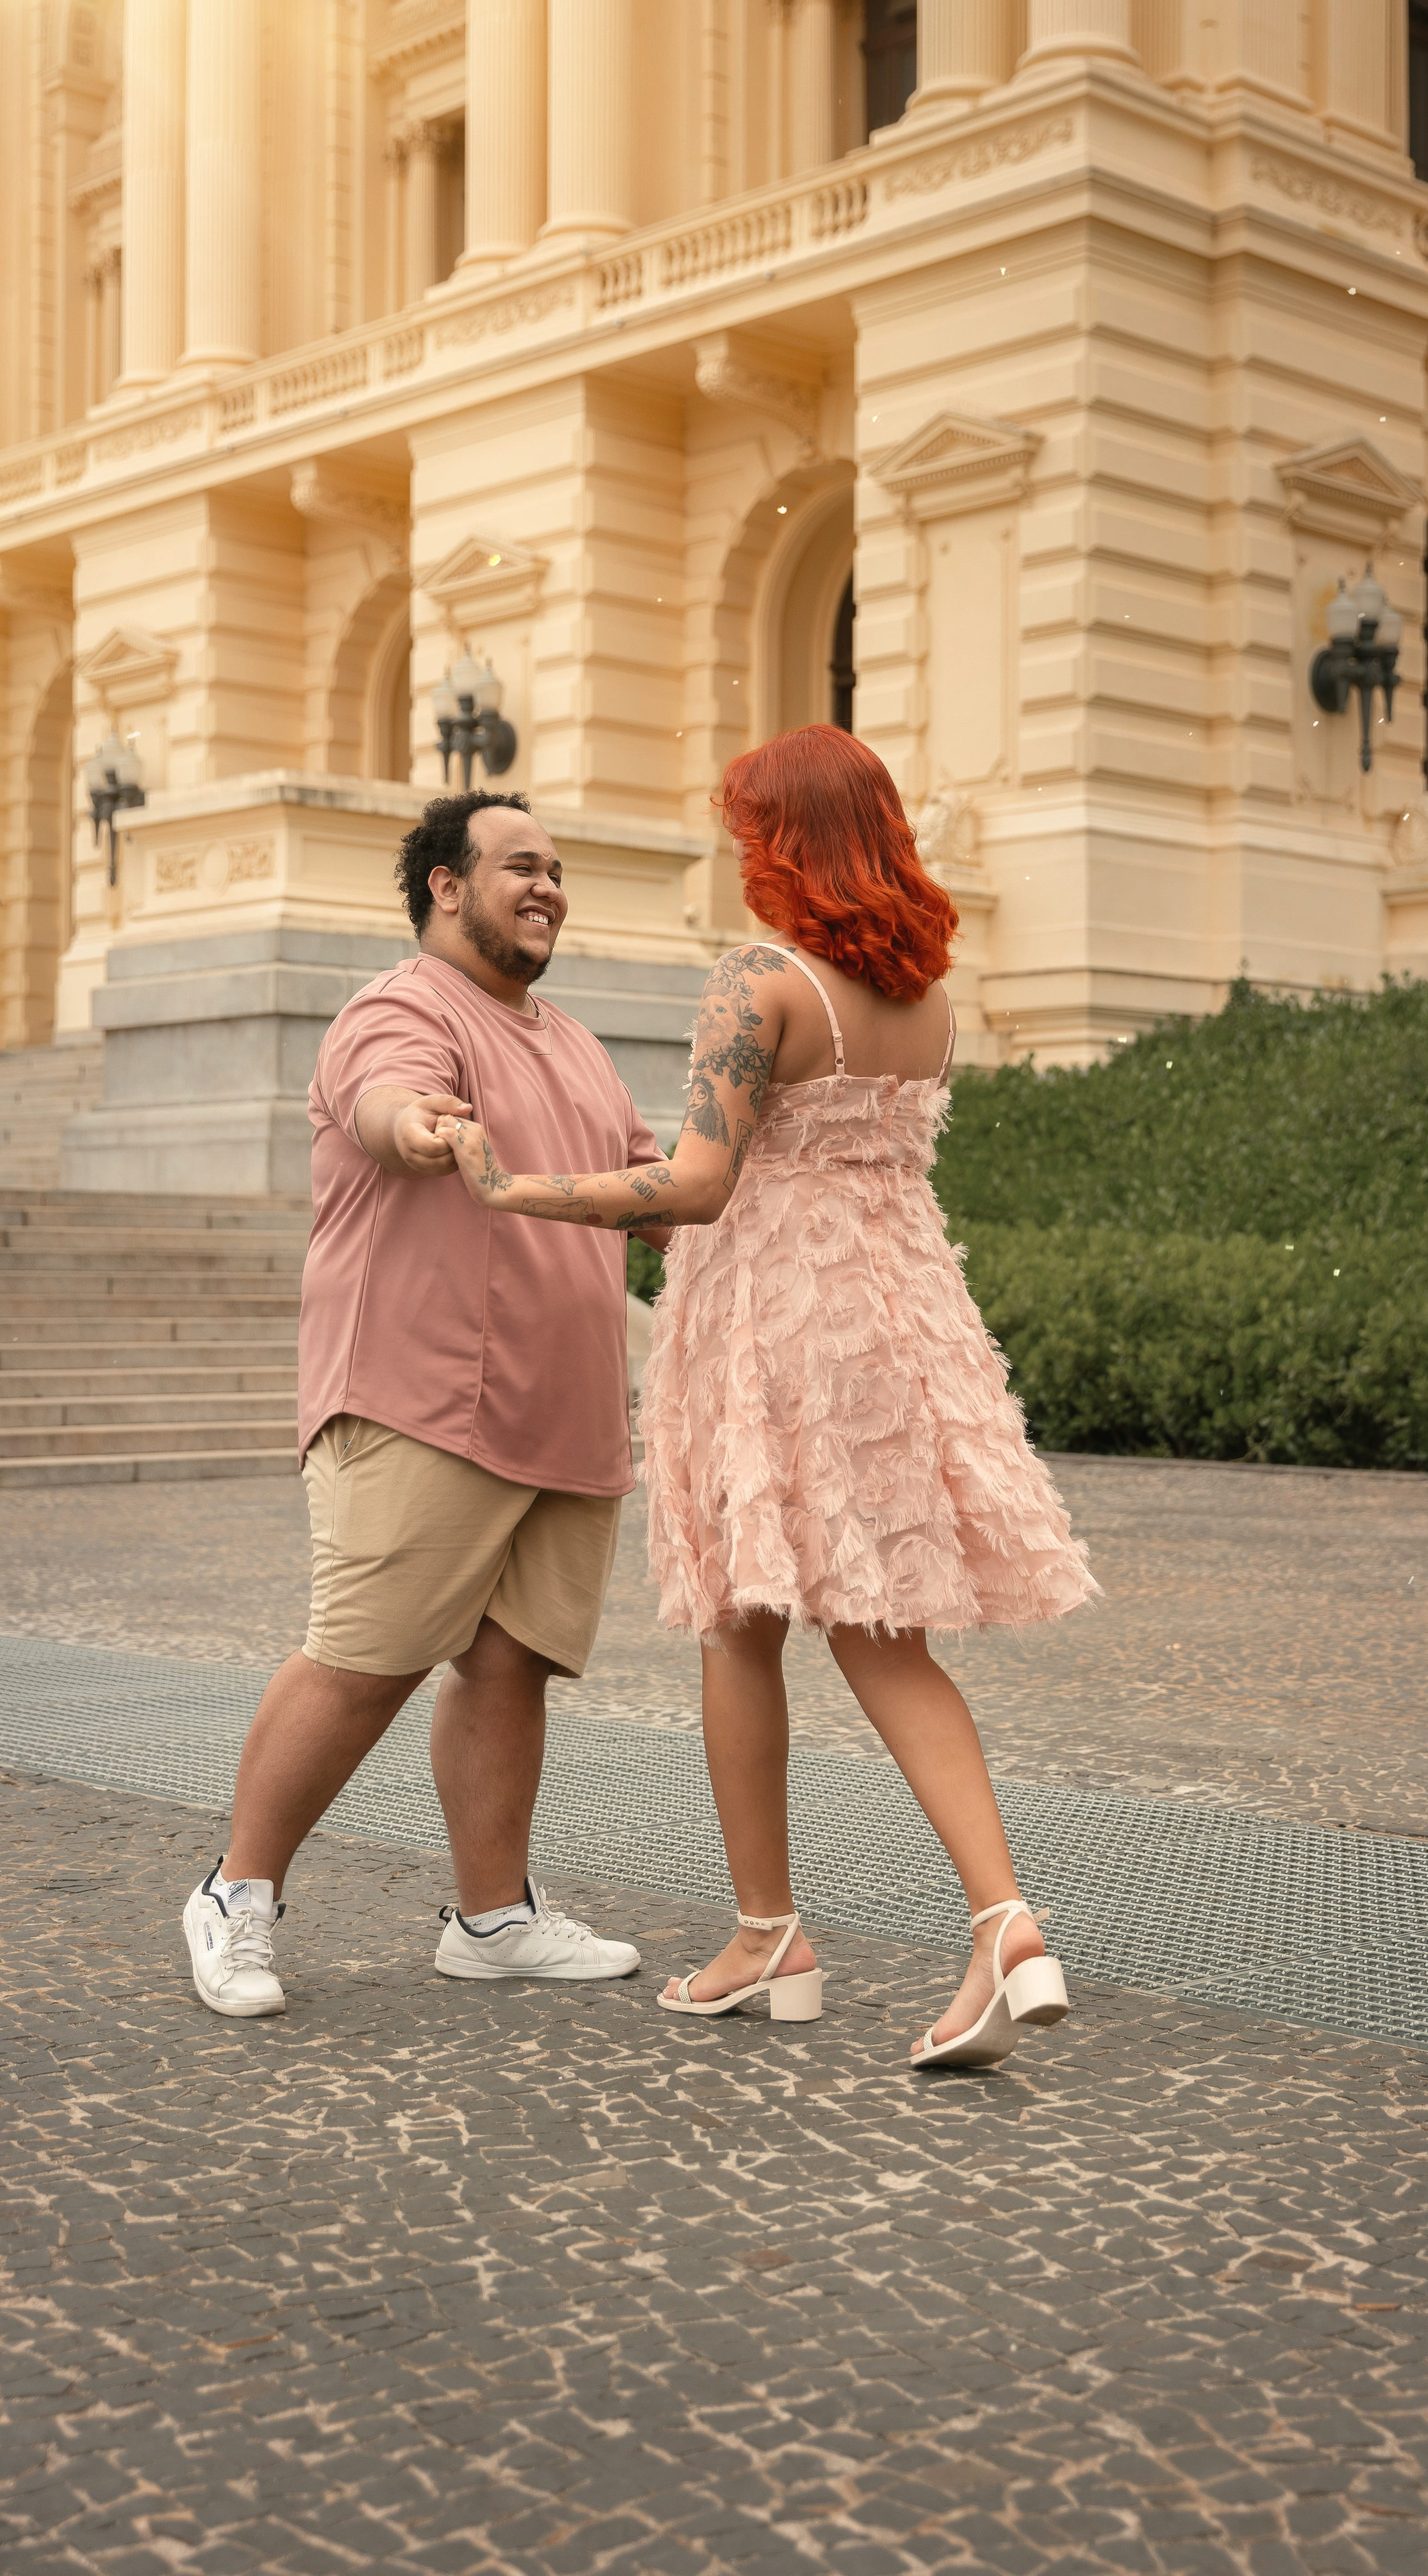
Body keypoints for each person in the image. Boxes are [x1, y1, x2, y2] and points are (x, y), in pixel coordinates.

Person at [439, 727, 1097, 2070]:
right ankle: (982, 1922)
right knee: (886, 1635)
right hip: (897, 1319)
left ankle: (785, 1933)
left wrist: (515, 1190)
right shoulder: (927, 997)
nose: (738, 853)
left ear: (784, 841)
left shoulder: (760, 982)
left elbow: (696, 1185)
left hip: (769, 1323)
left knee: (740, 1623)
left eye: (750, 831)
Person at [181, 790, 660, 2020]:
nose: (547, 887)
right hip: (423, 1397)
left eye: (557, 870)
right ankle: (234, 1893)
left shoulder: (576, 1042)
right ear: (446, 887)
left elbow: (645, 1178)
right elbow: (387, 1107)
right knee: (365, 1659)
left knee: (510, 1666)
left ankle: (493, 1921)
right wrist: (421, 1124)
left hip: (565, 1416)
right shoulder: (402, 1007)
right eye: (519, 866)